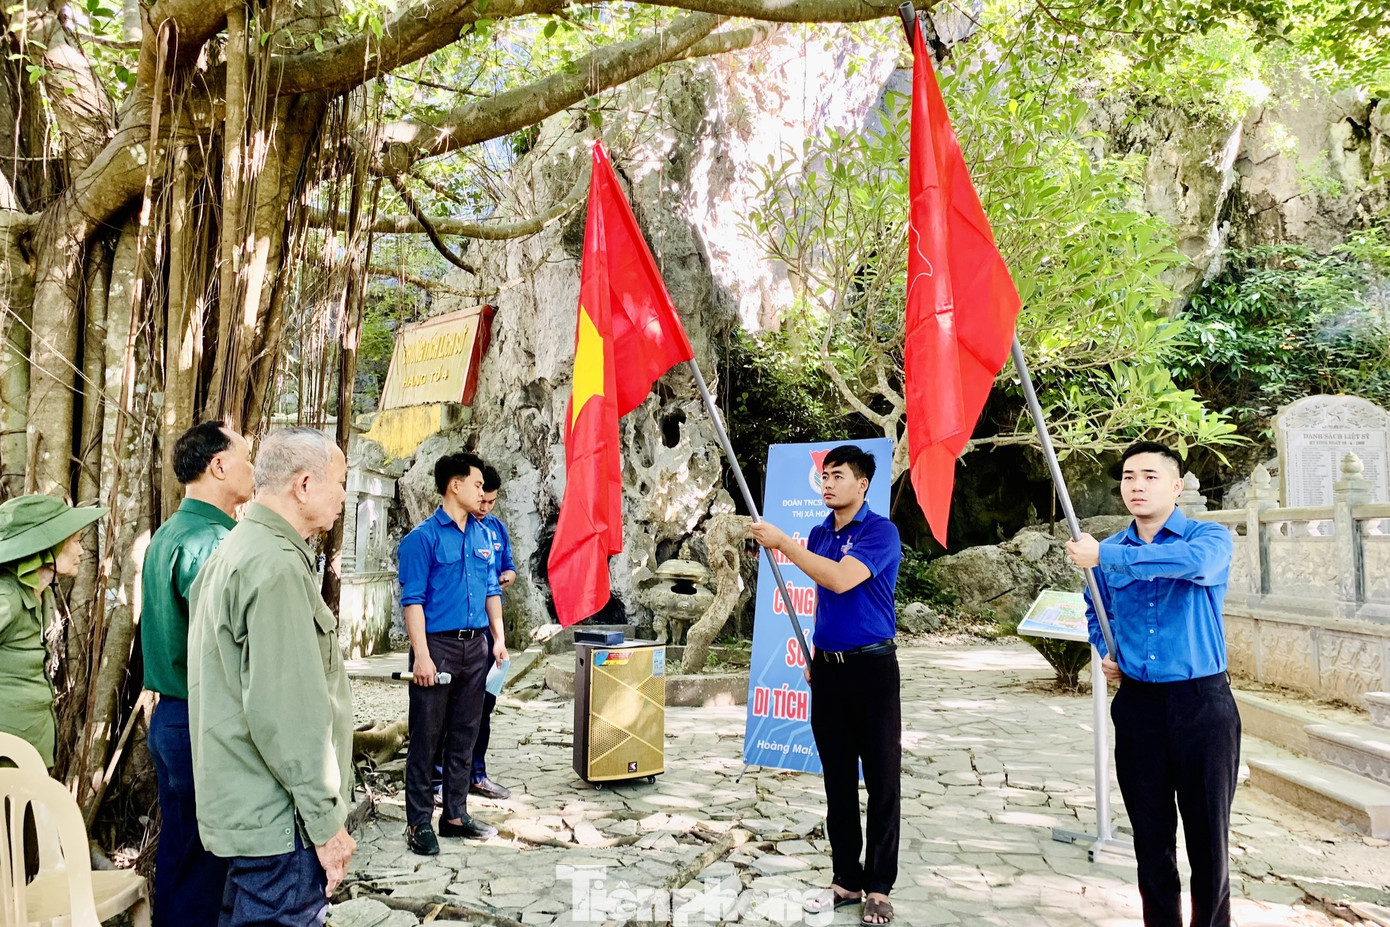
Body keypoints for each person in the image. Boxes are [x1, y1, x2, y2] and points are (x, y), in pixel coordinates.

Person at [1066, 440, 1237, 927]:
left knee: (1208, 839)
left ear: (1177, 486)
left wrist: (1105, 559)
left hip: (1202, 704)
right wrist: (1110, 650)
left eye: (1149, 476)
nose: (1136, 486)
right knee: (1151, 837)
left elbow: (1195, 567)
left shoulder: (1209, 538)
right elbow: (1096, 611)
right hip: (1139, 706)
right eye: (1127, 477)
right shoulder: (1106, 552)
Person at [188, 427, 355, 927]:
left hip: (248, 809)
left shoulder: (238, 548)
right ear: (304, 484)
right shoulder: (275, 566)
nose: (344, 496)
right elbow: (287, 717)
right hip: (281, 822)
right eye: (340, 481)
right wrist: (327, 827)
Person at [750, 444, 902, 927]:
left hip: (873, 670)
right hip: (829, 670)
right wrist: (818, 654)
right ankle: (845, 879)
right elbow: (823, 599)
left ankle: (878, 886)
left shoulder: (881, 531)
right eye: (825, 475)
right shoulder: (820, 532)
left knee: (881, 781)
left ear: (863, 484)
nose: (828, 483)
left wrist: (784, 544)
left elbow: (839, 581)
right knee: (838, 781)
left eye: (839, 475)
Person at [141, 422, 254, 927]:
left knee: (182, 852)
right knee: (206, 863)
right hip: (202, 718)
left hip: (170, 716)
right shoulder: (213, 542)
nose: (254, 469)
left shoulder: (169, 533)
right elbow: (232, 644)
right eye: (247, 458)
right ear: (220, 465)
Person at [398, 452, 508, 855]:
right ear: (454, 486)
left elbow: (492, 590)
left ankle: (456, 815)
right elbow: (412, 602)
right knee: (427, 737)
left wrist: (497, 638)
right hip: (437, 647)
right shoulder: (421, 539)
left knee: (466, 732)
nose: (483, 493)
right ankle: (417, 823)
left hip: (476, 646)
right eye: (477, 485)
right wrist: (421, 656)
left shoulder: (483, 535)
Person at [0, 495, 106, 767]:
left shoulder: (41, 593)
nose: (82, 550)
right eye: (74, 540)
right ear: (44, 546)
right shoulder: (7, 598)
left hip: (31, 751)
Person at [470, 464, 516, 801]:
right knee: (452, 710)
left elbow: (508, 568)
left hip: (489, 631)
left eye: (492, 502)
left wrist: (507, 576)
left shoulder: (496, 530)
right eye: (481, 501)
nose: (485, 508)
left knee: (484, 705)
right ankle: (440, 779)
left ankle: (477, 773)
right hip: (456, 633)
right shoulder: (458, 528)